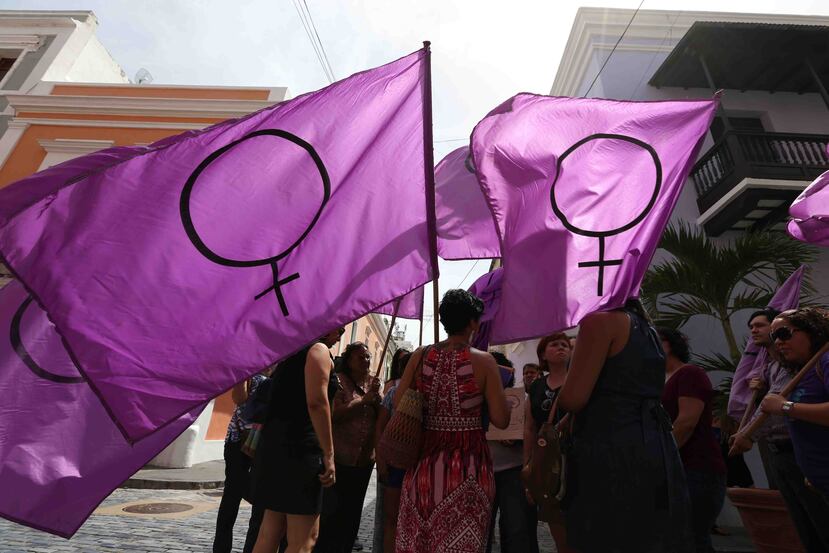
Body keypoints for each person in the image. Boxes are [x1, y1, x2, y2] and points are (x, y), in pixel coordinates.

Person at [558, 300, 692, 553]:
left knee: (606, 534)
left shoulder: (600, 322)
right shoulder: (646, 328)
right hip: (654, 442)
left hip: (610, 443)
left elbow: (573, 398)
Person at [395, 289, 510, 553]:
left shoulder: (420, 356)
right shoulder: (484, 361)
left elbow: (400, 405)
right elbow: (501, 419)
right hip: (469, 468)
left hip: (422, 465)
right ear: (473, 322)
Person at [252, 327, 343, 553]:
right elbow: (317, 402)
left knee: (269, 533)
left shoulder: (291, 352)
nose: (340, 334)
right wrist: (329, 454)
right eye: (339, 328)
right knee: (304, 540)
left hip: (276, 448)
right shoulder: (318, 351)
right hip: (302, 451)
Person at [747, 307, 829, 551]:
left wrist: (786, 407)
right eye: (774, 337)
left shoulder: (825, 360)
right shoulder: (802, 369)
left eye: (784, 333)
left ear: (812, 333)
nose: (779, 342)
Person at [658, 328, 726, 553]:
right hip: (672, 468)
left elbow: (686, 422)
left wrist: (663, 456)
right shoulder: (657, 379)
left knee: (692, 538)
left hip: (696, 467)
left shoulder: (689, 374)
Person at [315, 342, 381, 553]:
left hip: (363, 461)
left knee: (352, 514)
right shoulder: (340, 382)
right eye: (360, 357)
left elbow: (380, 420)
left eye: (368, 357)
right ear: (349, 361)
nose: (366, 361)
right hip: (340, 458)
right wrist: (363, 401)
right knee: (331, 513)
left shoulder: (374, 384)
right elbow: (334, 414)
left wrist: (378, 402)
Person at [522, 333, 573, 552]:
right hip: (548, 461)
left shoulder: (579, 379)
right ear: (543, 354)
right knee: (556, 522)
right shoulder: (536, 387)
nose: (561, 348)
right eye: (554, 344)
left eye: (565, 345)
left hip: (576, 458)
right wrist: (528, 464)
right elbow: (530, 428)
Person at [213, 368, 272, 553]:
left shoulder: (284, 365)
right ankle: (221, 549)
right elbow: (239, 398)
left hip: (265, 442)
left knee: (260, 501)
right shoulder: (250, 367)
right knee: (232, 496)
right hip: (239, 438)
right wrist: (244, 372)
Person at [486, 353, 539, 553]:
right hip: (483, 472)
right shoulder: (474, 397)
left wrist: (516, 437)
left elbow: (532, 430)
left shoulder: (522, 399)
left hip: (514, 471)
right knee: (481, 530)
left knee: (517, 531)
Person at [374, 352, 412, 553]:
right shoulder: (393, 393)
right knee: (392, 519)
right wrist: (380, 461)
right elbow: (380, 427)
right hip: (395, 465)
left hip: (419, 467)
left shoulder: (431, 396)